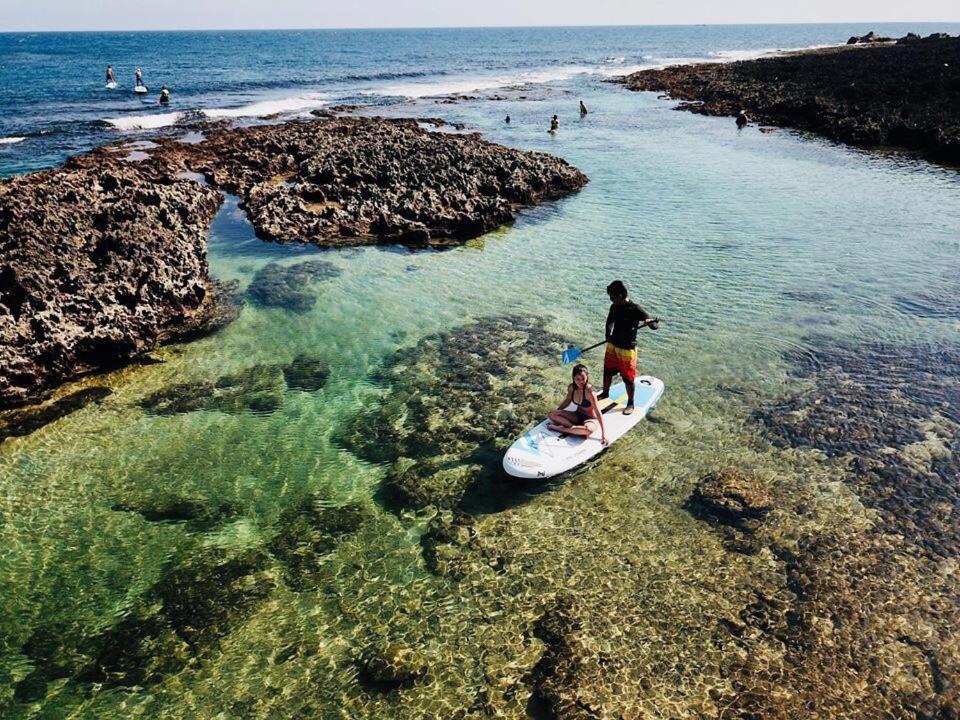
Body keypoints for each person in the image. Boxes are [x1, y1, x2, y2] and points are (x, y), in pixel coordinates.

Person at [600, 280, 658, 414]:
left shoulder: (635, 309)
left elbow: (655, 327)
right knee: (607, 371)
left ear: (620, 295)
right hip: (613, 345)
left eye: (612, 297)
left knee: (628, 378)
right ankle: (605, 393)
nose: (611, 300)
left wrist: (649, 322)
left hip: (627, 349)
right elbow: (609, 321)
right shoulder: (614, 307)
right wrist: (608, 334)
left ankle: (630, 403)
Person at [548, 364, 608, 445]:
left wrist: (604, 433)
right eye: (577, 379)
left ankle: (562, 429)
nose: (581, 382)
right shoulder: (571, 388)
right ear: (573, 378)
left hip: (590, 419)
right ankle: (574, 429)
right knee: (552, 414)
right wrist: (558, 411)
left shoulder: (590, 392)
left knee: (588, 430)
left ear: (587, 376)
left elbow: (598, 411)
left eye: (583, 378)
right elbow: (567, 401)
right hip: (577, 416)